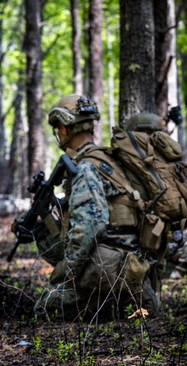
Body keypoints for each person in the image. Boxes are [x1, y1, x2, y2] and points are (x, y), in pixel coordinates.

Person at [32, 94, 160, 321]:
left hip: (108, 269)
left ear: (65, 129)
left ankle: (105, 303)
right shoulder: (110, 160)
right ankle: (122, 300)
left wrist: (63, 274)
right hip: (131, 265)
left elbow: (89, 226)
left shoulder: (85, 169)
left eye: (59, 127)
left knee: (45, 308)